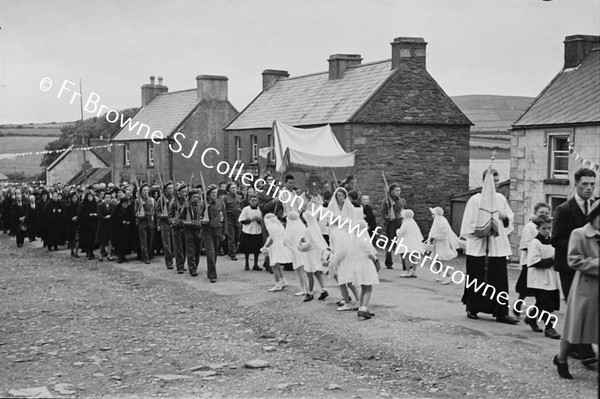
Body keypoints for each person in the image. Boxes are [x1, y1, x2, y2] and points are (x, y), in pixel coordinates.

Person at [460, 169, 519, 324]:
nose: (496, 184)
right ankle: (473, 307)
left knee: (498, 280)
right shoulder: (475, 200)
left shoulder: (500, 199)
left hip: (496, 246)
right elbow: (468, 224)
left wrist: (502, 217)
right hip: (479, 247)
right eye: (493, 181)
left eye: (498, 181)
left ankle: (501, 312)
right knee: (477, 279)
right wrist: (482, 228)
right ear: (484, 182)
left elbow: (509, 220)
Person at [551, 167, 597, 362]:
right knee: (576, 310)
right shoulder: (564, 209)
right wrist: (577, 247)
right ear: (575, 184)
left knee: (591, 309)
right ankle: (581, 351)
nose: (589, 188)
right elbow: (556, 239)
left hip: (592, 269)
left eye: (592, 185)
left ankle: (579, 349)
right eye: (585, 184)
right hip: (570, 268)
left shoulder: (596, 207)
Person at [524, 214, 561, 339]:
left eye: (549, 228)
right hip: (539, 279)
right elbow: (534, 262)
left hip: (550, 277)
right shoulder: (535, 243)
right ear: (538, 228)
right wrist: (552, 260)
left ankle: (531, 318)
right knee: (546, 304)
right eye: (544, 228)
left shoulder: (552, 242)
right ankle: (549, 328)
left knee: (542, 303)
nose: (547, 231)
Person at [328, 187, 361, 311]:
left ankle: (350, 300)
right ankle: (349, 299)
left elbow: (353, 222)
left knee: (345, 278)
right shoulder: (333, 211)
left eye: (342, 196)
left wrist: (334, 258)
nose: (340, 198)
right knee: (344, 278)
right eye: (338, 196)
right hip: (339, 243)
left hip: (346, 240)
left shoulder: (349, 208)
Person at [514, 202, 550, 316]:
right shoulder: (530, 226)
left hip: (542, 260)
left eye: (546, 212)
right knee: (525, 287)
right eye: (541, 212)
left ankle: (536, 310)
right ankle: (518, 304)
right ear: (535, 213)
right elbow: (526, 244)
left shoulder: (547, 226)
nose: (543, 214)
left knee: (538, 287)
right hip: (530, 261)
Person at [352, 220, 380, 319]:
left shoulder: (355, 238)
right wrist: (375, 259)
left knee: (363, 288)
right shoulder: (363, 238)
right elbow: (369, 253)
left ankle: (361, 307)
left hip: (358, 264)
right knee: (369, 288)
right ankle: (364, 308)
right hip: (365, 264)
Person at [426, 207, 459, 284]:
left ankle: (450, 276)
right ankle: (439, 274)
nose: (432, 216)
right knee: (437, 260)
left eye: (433, 214)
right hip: (438, 244)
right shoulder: (438, 221)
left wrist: (434, 237)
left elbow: (443, 234)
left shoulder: (442, 222)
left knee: (441, 260)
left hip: (442, 245)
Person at [201, 184, 227, 283]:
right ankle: (213, 274)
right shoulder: (204, 204)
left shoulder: (221, 203)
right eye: (213, 192)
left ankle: (210, 271)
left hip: (218, 230)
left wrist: (224, 233)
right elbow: (199, 216)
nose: (215, 194)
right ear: (208, 194)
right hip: (207, 230)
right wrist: (202, 220)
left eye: (216, 192)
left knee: (214, 253)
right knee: (210, 253)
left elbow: (224, 218)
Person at [301, 212, 329, 302]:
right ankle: (324, 289)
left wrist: (301, 245)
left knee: (309, 273)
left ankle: (310, 292)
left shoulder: (307, 230)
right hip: (316, 252)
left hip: (310, 253)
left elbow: (308, 244)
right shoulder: (315, 228)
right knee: (316, 272)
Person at [262, 213, 291, 291]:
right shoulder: (279, 225)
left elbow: (272, 239)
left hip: (275, 247)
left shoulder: (271, 227)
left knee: (274, 266)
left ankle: (277, 284)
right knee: (277, 265)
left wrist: (265, 246)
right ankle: (284, 281)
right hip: (280, 245)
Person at [380, 183, 406, 269]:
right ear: (391, 191)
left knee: (402, 242)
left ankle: (405, 264)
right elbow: (383, 213)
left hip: (400, 222)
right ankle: (388, 263)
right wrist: (388, 217)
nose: (398, 192)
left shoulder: (402, 201)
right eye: (396, 190)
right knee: (390, 243)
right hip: (391, 223)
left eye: (399, 190)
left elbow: (404, 211)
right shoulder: (386, 201)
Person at [284, 211, 309, 297]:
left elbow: (286, 240)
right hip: (302, 248)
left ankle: (303, 289)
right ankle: (307, 287)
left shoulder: (291, 228)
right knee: (303, 270)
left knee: (299, 270)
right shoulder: (301, 226)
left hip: (296, 250)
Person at [180, 189, 203, 277]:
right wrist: (187, 222)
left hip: (199, 230)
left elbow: (204, 216)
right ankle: (192, 269)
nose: (196, 199)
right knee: (191, 250)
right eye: (194, 197)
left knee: (198, 250)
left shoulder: (201, 206)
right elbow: (180, 219)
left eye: (197, 197)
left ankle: (195, 266)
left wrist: (201, 221)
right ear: (190, 198)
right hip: (189, 230)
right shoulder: (186, 207)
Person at [238, 194, 263, 271]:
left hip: (257, 230)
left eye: (256, 200)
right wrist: (250, 219)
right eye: (252, 200)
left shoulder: (260, 209)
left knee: (257, 249)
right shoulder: (246, 209)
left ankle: (255, 264)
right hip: (248, 230)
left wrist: (259, 220)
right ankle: (247, 264)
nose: (254, 202)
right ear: (249, 201)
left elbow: (262, 220)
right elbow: (241, 220)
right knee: (247, 249)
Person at [396, 209, 424, 278]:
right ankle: (414, 271)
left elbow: (400, 233)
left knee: (407, 257)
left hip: (407, 242)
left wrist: (397, 230)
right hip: (414, 242)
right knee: (413, 257)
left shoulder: (405, 223)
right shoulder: (413, 223)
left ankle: (408, 271)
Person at [169, 183, 188, 274]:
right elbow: (170, 216)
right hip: (176, 227)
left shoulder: (187, 202)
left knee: (184, 247)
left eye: (185, 191)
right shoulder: (174, 202)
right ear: (179, 193)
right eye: (182, 192)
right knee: (178, 247)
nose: (184, 193)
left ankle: (183, 263)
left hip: (185, 226)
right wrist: (173, 221)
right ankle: (179, 266)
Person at [134, 183, 156, 264]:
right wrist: (140, 206)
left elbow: (155, 212)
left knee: (150, 241)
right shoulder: (137, 201)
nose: (146, 192)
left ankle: (149, 254)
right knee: (143, 241)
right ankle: (145, 257)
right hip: (142, 223)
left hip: (150, 222)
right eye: (144, 190)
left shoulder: (152, 200)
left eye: (147, 190)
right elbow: (136, 214)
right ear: (141, 192)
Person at [156, 181, 175, 270]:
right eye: (169, 188)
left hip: (174, 223)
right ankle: (169, 262)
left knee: (176, 244)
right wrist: (161, 215)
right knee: (167, 244)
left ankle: (180, 262)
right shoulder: (161, 200)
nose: (171, 190)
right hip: (164, 223)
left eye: (172, 188)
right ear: (165, 190)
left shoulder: (175, 199)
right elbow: (157, 212)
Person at [112, 196, 135, 263]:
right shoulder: (117, 209)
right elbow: (115, 219)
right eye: (124, 204)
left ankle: (124, 256)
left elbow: (132, 218)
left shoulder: (129, 209)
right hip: (119, 230)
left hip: (127, 229)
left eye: (127, 204)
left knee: (126, 243)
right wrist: (122, 222)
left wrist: (129, 222)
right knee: (119, 243)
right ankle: (120, 256)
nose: (126, 205)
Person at [224, 182, 242, 261]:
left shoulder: (238, 197)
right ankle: (233, 253)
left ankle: (230, 250)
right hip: (229, 218)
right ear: (228, 189)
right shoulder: (226, 198)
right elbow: (224, 209)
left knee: (237, 235)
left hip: (237, 218)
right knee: (231, 236)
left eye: (235, 188)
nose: (234, 189)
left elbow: (241, 206)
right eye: (232, 188)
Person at [78, 191, 98, 260]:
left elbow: (97, 211)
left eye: (91, 196)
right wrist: (88, 215)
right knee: (87, 239)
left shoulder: (95, 204)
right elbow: (81, 215)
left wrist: (95, 215)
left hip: (93, 224)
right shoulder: (83, 205)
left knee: (92, 239)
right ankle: (89, 252)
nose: (90, 198)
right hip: (86, 225)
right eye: (89, 196)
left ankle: (91, 251)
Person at [95, 191, 114, 261]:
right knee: (102, 240)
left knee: (110, 240)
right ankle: (100, 254)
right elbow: (99, 215)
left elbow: (114, 214)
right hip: (103, 224)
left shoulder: (113, 205)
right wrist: (104, 217)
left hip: (110, 224)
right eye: (106, 197)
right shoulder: (100, 205)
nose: (108, 199)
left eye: (109, 197)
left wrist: (110, 216)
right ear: (104, 198)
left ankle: (109, 254)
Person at [65, 191, 80, 258]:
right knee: (71, 239)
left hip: (78, 224)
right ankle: (72, 250)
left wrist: (78, 217)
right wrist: (71, 218)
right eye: (73, 198)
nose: (74, 199)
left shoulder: (79, 205)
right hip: (71, 224)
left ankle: (76, 252)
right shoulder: (68, 206)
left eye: (75, 197)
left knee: (77, 238)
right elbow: (66, 215)